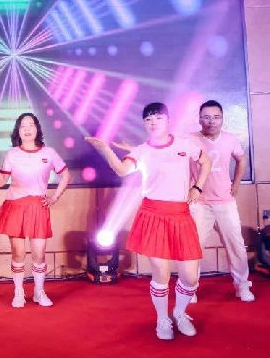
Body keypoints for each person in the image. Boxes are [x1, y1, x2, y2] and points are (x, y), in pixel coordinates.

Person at [86, 102, 211, 340]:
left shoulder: (184, 145)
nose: (153, 123)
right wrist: (106, 150)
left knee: (190, 277)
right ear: (144, 124)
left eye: (158, 118)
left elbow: (206, 162)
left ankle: (180, 313)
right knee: (161, 274)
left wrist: (197, 187)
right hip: (153, 215)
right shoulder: (141, 151)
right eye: (148, 120)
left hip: (181, 215)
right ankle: (162, 319)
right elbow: (122, 170)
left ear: (168, 120)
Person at [0, 112, 72, 308]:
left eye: (31, 125)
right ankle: (19, 292)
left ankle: (39, 292)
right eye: (23, 125)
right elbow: (0, 182)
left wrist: (54, 197)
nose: (27, 129)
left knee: (39, 253)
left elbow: (66, 175)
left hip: (38, 207)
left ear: (37, 129)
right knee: (18, 253)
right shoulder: (12, 154)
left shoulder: (49, 153)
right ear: (18, 131)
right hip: (15, 206)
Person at [189, 100, 253, 302]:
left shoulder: (230, 139)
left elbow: (241, 159)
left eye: (216, 117)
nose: (212, 121)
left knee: (236, 246)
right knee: (193, 248)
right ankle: (189, 289)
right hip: (200, 203)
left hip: (225, 202)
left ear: (222, 118)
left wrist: (236, 183)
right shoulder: (189, 140)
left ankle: (242, 286)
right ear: (200, 119)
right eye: (207, 117)